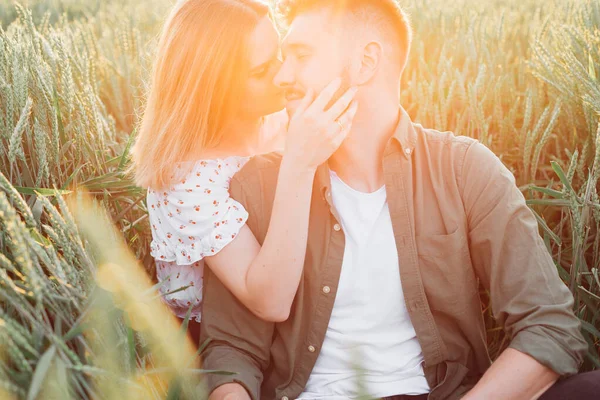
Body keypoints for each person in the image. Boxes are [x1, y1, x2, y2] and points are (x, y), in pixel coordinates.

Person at [199, 1, 598, 399]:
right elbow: (230, 354)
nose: (282, 76)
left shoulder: (464, 169)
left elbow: (548, 325)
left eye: (301, 56)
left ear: (366, 62)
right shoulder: (256, 186)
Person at [129, 0, 358, 345]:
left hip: (305, 332)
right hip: (220, 349)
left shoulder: (287, 123)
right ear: (212, 86)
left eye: (280, 55)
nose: (283, 75)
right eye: (260, 71)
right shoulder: (186, 180)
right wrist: (298, 164)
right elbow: (270, 302)